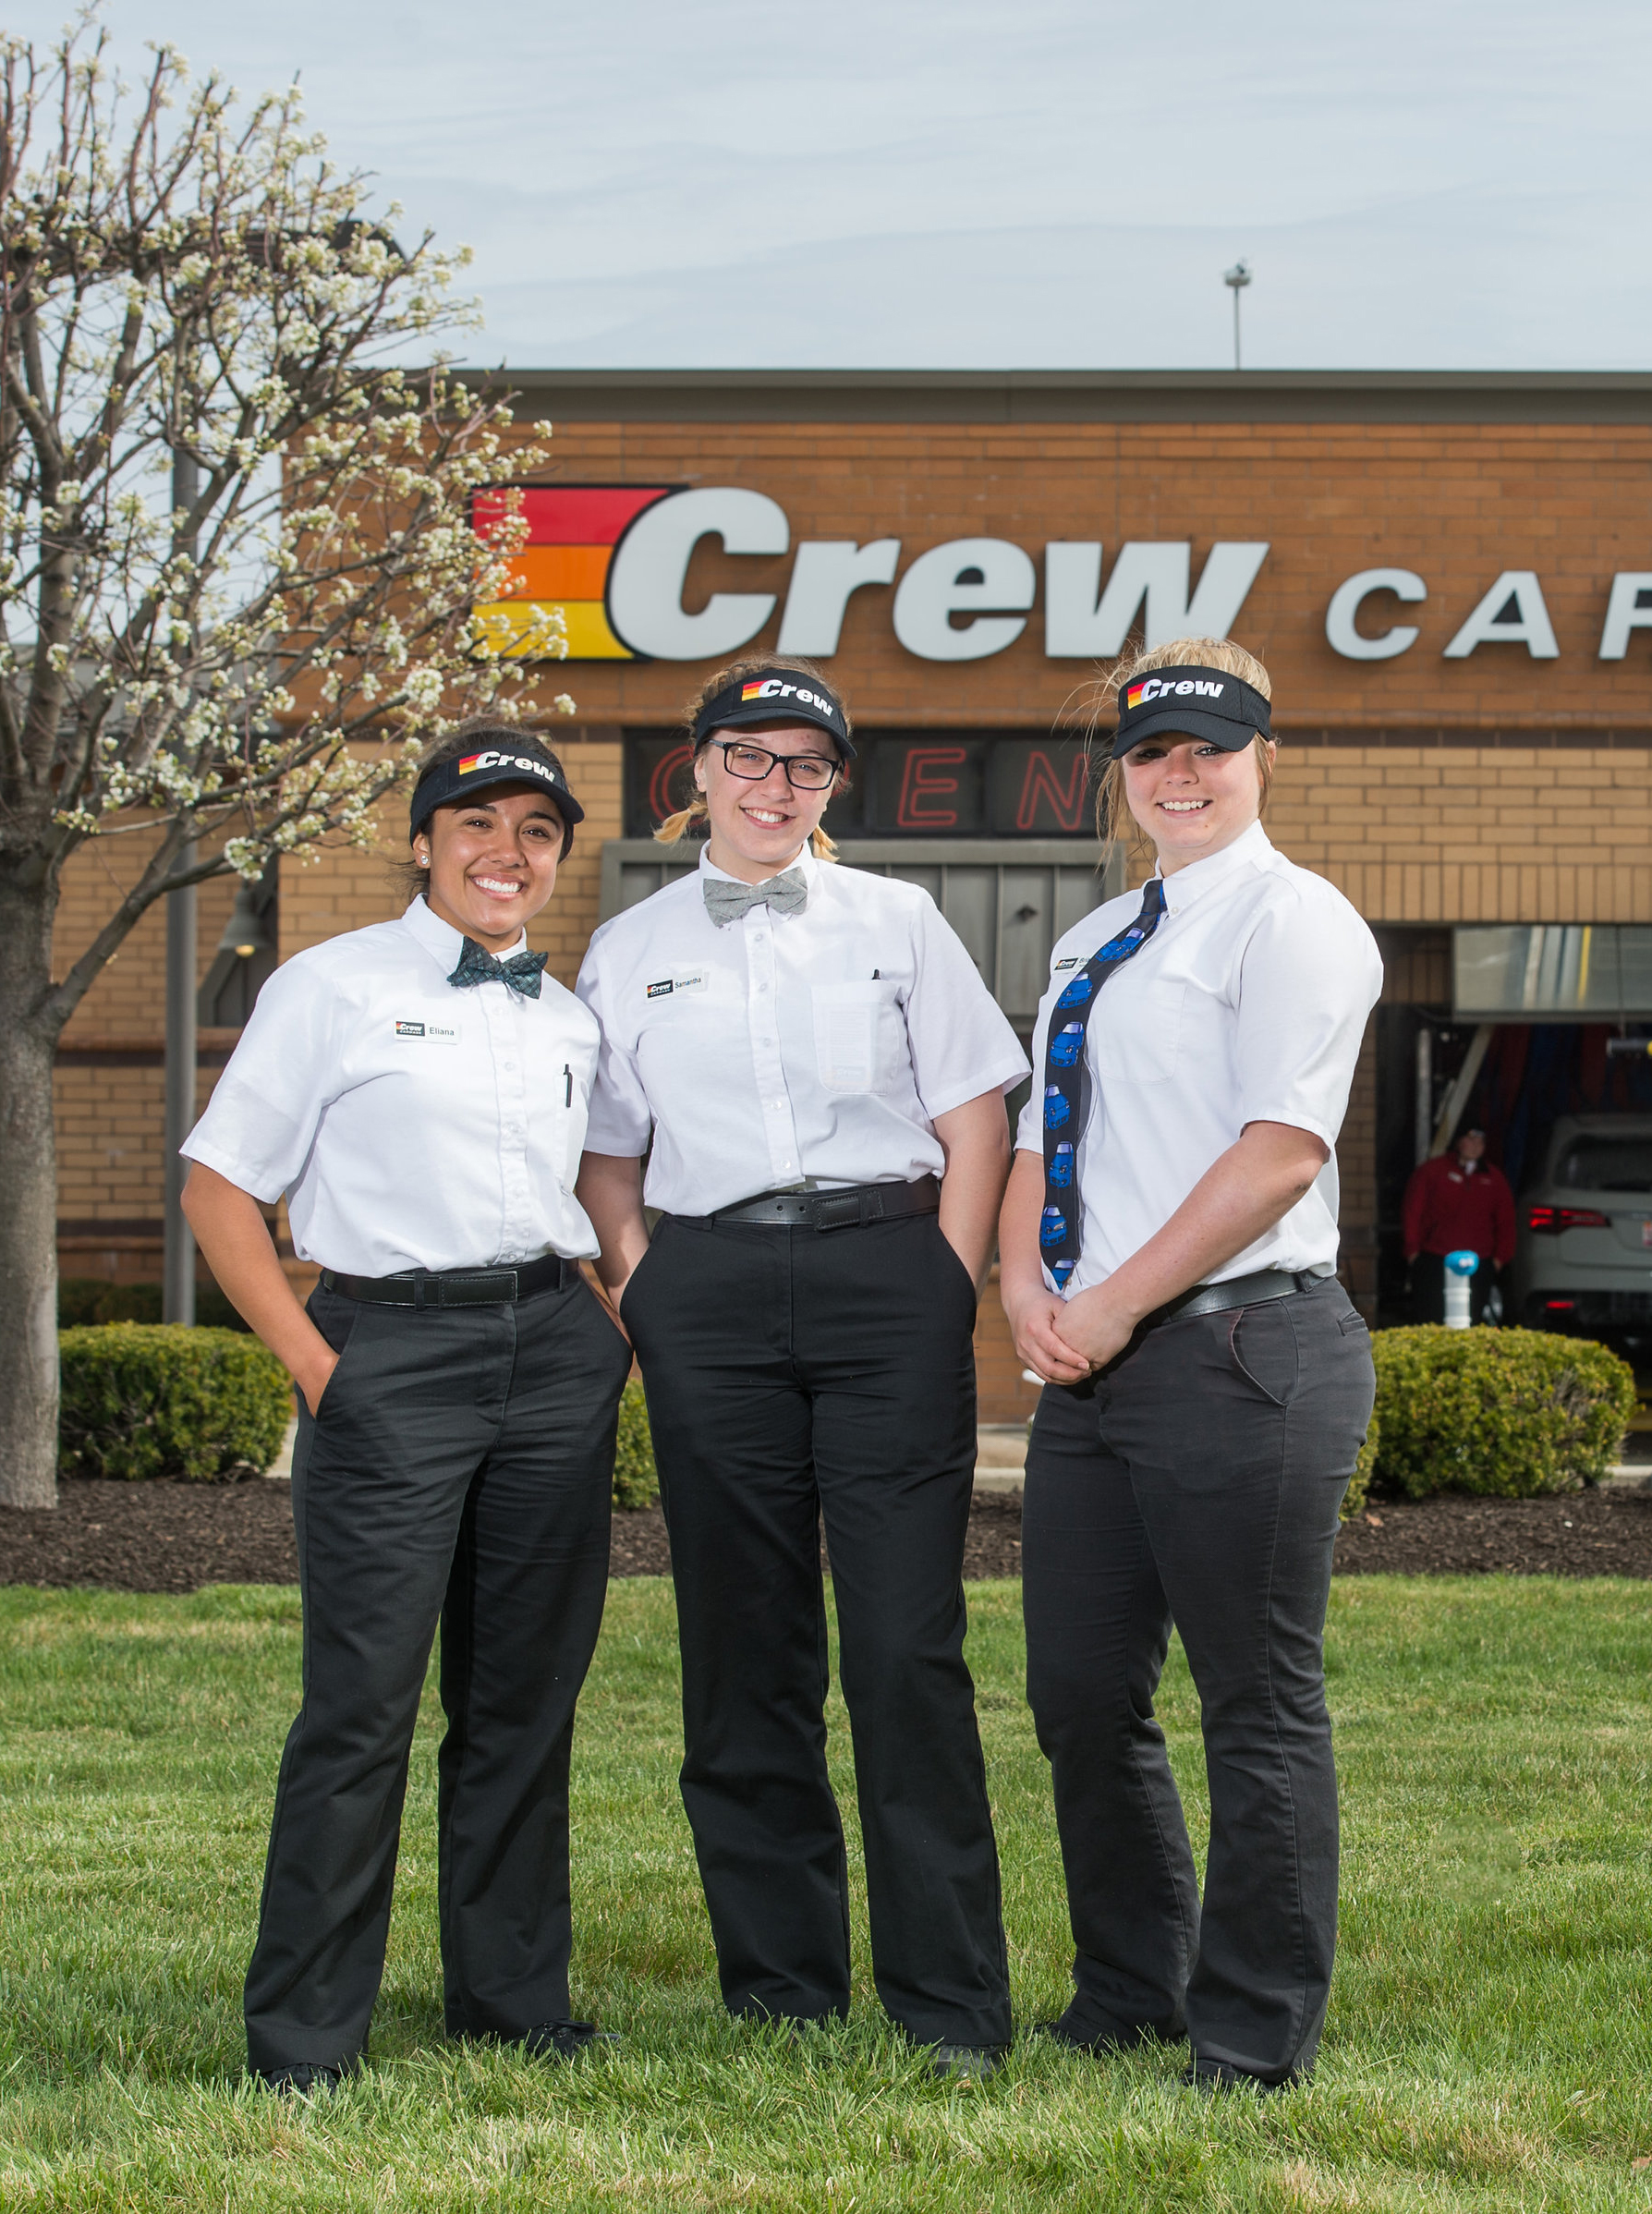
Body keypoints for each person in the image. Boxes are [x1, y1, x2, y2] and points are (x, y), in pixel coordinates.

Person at [573, 655, 1025, 2073]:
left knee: (903, 1645)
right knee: (743, 1645)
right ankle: (780, 1986)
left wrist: (945, 1278)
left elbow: (973, 1116)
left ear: (833, 784)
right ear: (696, 771)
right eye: (750, 759)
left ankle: (946, 2003)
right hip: (704, 1290)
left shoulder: (898, 922)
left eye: (807, 765)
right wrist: (651, 1294)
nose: (777, 786)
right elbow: (609, 1159)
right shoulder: (628, 946)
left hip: (884, 1271)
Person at [179, 723, 629, 2092]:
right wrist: (320, 1370)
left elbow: (593, 1195)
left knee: (522, 1703)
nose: (508, 854)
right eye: (479, 825)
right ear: (423, 840)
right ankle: (307, 2035)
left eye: (537, 833)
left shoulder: (569, 1017)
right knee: (360, 1705)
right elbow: (218, 1191)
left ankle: (511, 1999)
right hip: (390, 1352)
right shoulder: (328, 986)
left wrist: (604, 1329)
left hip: (551, 1354)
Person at [1001, 637, 1383, 2092]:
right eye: (1154, 752)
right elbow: (1052, 1134)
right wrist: (1029, 1289)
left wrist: (1108, 1308)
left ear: (1259, 756)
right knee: (1081, 1696)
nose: (1181, 775)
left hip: (1241, 1346)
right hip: (1093, 1364)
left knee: (1253, 1697)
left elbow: (1277, 1156)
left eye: (1209, 749)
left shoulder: (1292, 923)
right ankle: (1128, 1990)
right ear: (1124, 771)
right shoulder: (1091, 942)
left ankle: (1249, 2031)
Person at [1400, 1125, 1515, 1323]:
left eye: (1481, 1141)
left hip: (1480, 1260)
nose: (1476, 1146)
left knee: (1473, 1319)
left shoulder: (1494, 1178)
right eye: (1471, 1139)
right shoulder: (1432, 1171)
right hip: (1435, 1257)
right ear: (1459, 1142)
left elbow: (1506, 1221)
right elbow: (1413, 1211)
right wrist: (1413, 1251)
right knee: (1431, 1318)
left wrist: (1499, 1258)